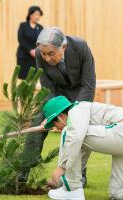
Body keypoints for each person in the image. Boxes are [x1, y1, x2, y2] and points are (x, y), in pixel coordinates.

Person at [21, 27, 96, 186]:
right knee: (37, 120)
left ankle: (78, 176)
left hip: (80, 92)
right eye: (44, 54)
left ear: (64, 47)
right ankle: (22, 174)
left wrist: (76, 111)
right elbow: (47, 86)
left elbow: (88, 85)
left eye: (51, 54)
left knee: (77, 129)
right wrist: (51, 114)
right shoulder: (41, 53)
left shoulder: (81, 47)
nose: (47, 58)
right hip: (56, 93)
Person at [16, 6, 43, 79]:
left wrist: (36, 51)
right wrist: (30, 50)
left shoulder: (40, 27)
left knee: (34, 79)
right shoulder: (23, 25)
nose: (38, 17)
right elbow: (20, 40)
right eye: (36, 14)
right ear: (30, 15)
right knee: (24, 79)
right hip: (24, 56)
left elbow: (42, 41)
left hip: (35, 57)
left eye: (39, 15)